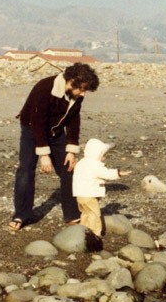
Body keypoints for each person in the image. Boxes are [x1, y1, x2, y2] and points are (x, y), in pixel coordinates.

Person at [9, 62, 100, 232]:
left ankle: (72, 214)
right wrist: (44, 154)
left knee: (69, 169)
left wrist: (71, 150)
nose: (84, 93)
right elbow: (37, 122)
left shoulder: (77, 95)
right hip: (31, 128)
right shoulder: (44, 87)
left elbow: (73, 121)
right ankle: (21, 215)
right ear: (72, 81)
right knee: (26, 170)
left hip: (56, 131)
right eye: (82, 89)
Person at [72, 138, 131, 250]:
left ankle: (83, 231)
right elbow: (106, 173)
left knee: (85, 213)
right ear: (96, 154)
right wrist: (119, 173)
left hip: (80, 195)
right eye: (103, 155)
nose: (104, 158)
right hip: (89, 195)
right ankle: (95, 235)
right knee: (94, 214)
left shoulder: (81, 163)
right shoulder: (94, 165)